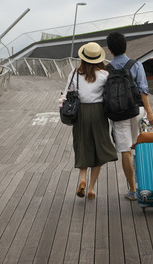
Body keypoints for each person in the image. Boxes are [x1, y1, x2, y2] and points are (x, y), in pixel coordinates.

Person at [62, 42, 118, 200]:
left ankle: (82, 179)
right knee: (98, 148)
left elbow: (67, 94)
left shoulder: (74, 73)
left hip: (81, 113)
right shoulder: (104, 75)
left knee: (82, 145)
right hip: (98, 112)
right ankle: (92, 188)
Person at [106, 32, 153, 201]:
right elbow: (143, 91)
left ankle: (133, 190)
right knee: (139, 147)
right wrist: (149, 113)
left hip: (118, 115)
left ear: (110, 51)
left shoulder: (107, 70)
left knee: (125, 151)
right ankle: (145, 185)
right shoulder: (136, 65)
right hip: (137, 111)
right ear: (126, 46)